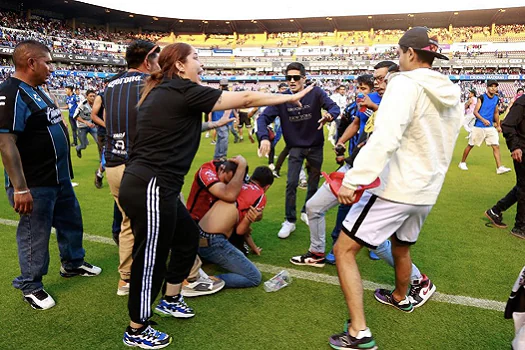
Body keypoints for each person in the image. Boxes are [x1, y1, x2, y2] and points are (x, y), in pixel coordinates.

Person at [118, 42, 313, 349]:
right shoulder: (182, 90)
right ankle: (137, 328)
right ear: (180, 66)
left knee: (185, 238)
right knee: (151, 257)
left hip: (153, 186)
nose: (201, 63)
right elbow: (246, 97)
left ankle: (170, 298)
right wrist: (293, 96)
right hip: (151, 187)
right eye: (196, 58)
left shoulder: (165, 91)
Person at [328, 27, 463, 349]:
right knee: (401, 246)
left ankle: (359, 333)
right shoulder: (450, 91)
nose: (398, 60)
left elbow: (385, 137)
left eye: (400, 53)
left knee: (344, 250)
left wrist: (352, 179)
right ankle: (402, 295)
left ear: (410, 53)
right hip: (427, 190)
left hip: (397, 188)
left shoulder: (404, 83)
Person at [0, 40, 101, 311]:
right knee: (35, 233)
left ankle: (73, 263)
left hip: (59, 177)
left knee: (71, 222)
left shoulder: (38, 91)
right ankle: (30, 285)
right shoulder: (11, 93)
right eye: (47, 61)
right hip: (35, 182)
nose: (51, 68)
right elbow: (5, 142)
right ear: (31, 62)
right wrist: (20, 188)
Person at [290, 67, 391, 267]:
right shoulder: (366, 99)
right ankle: (317, 251)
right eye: (376, 79)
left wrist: (377, 107)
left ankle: (414, 279)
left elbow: (396, 128)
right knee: (314, 206)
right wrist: (342, 142)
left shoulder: (399, 104)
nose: (377, 83)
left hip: (378, 174)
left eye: (382, 79)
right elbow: (356, 122)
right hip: (354, 165)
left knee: (372, 237)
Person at [257, 62, 340, 239]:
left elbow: (334, 107)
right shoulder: (282, 98)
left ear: (304, 78)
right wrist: (264, 137)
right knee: (291, 183)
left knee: (313, 182)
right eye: (289, 78)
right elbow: (263, 118)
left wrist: (329, 115)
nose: (292, 81)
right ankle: (289, 220)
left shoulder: (315, 92)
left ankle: (306, 212)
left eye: (296, 77)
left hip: (315, 145)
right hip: (295, 146)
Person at [104, 40, 161, 296]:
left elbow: (105, 120)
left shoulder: (110, 85)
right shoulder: (149, 83)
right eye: (157, 59)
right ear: (147, 61)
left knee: (127, 222)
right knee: (167, 218)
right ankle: (188, 278)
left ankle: (125, 280)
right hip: (139, 167)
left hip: (113, 165)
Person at [198, 166, 274, 288]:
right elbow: (240, 230)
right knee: (254, 277)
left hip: (197, 234)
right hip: (213, 242)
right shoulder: (260, 195)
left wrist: (253, 246)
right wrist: (251, 219)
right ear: (267, 187)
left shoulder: (237, 185)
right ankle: (206, 280)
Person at [458, 80, 512, 174]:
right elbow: (475, 112)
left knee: (496, 146)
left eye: (495, 86)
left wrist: (498, 125)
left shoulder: (496, 99)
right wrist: (483, 120)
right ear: (487, 87)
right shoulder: (481, 98)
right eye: (491, 86)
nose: (493, 88)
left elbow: (496, 112)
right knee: (471, 145)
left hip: (490, 127)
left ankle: (499, 167)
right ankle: (462, 162)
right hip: (479, 126)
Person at [492, 93, 525, 239]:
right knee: (524, 187)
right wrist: (515, 147)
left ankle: (496, 210)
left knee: (522, 186)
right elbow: (507, 125)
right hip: (521, 151)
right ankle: (520, 227)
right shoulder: (521, 103)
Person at [73, 89, 98, 159]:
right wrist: (86, 122)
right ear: (87, 96)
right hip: (82, 127)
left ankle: (102, 160)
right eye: (91, 96)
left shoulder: (96, 103)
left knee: (99, 142)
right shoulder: (82, 104)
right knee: (84, 145)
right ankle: (78, 148)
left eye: (94, 96)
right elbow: (75, 116)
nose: (92, 98)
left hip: (92, 126)